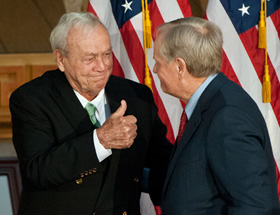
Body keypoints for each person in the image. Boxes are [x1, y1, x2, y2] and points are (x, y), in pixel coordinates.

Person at [9, 12, 172, 215]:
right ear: (61, 58)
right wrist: (100, 140)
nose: (102, 67)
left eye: (106, 54)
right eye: (89, 58)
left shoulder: (136, 96)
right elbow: (38, 171)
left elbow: (164, 164)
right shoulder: (31, 99)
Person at [152, 17, 280, 215]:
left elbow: (254, 207)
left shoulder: (227, 116)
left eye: (157, 62)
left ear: (180, 67)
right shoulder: (210, 103)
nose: (155, 69)